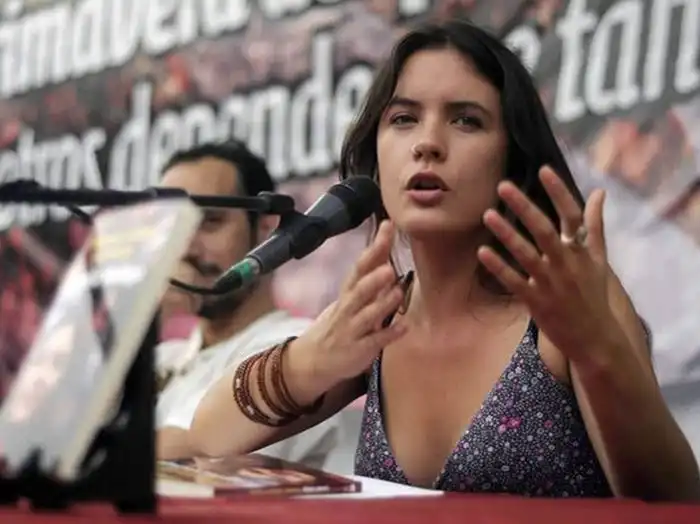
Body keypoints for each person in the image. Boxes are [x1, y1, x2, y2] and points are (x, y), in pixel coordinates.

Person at [188, 20, 700, 500]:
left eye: (466, 121)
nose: (428, 144)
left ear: (512, 156)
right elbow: (208, 435)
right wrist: (309, 363)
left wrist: (599, 355)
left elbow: (677, 502)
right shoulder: (381, 317)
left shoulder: (566, 302)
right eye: (404, 119)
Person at [154, 140, 340, 470]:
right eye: (173, 225)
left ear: (267, 229)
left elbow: (198, 453)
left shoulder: (296, 347)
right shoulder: (165, 355)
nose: (185, 247)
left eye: (210, 221)